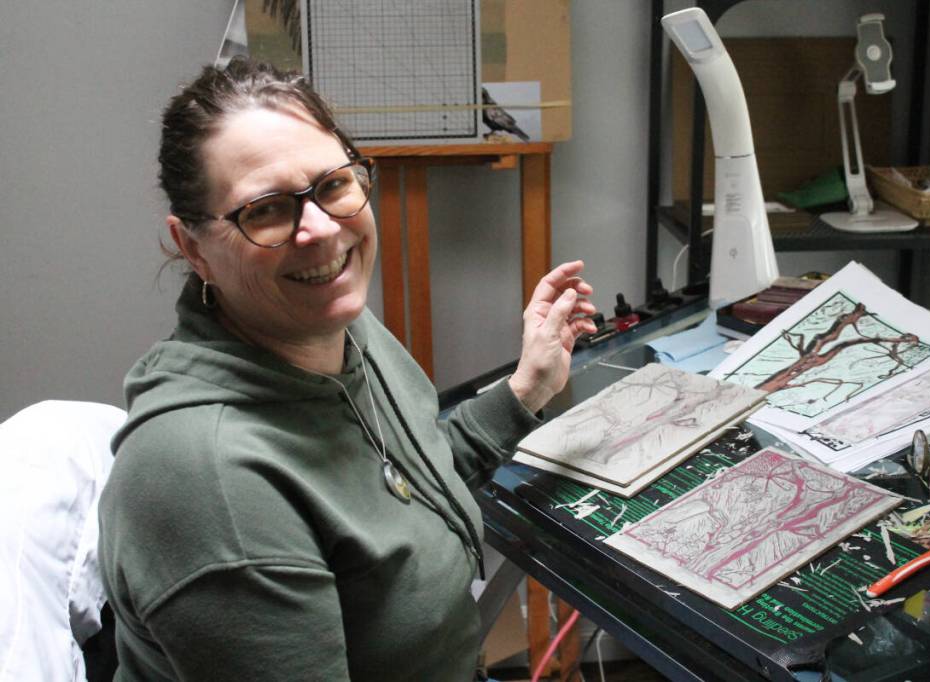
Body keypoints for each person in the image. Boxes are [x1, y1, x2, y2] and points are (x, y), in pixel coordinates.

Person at [97, 57, 597, 681]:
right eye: (267, 211)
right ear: (193, 247)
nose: (321, 230)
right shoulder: (212, 486)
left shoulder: (336, 328)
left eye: (333, 184)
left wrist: (528, 388)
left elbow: (411, 485)